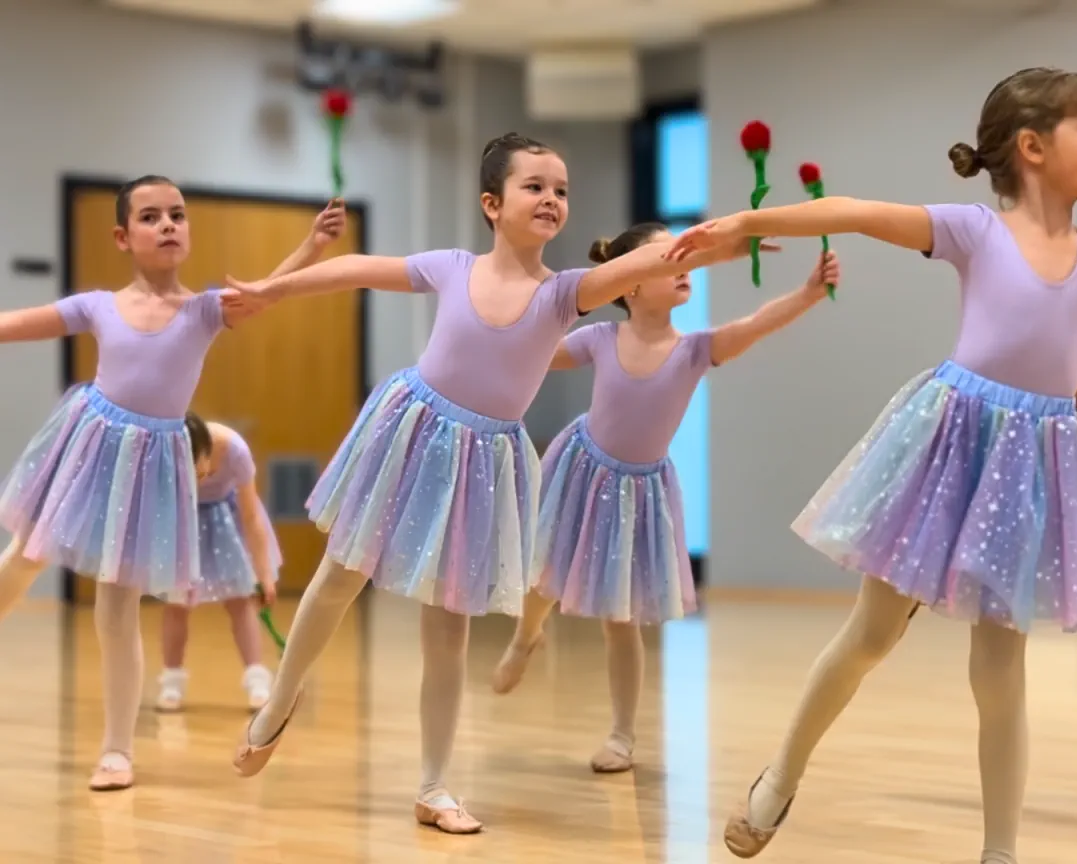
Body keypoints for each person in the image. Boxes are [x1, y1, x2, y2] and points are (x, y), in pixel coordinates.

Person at [222, 133, 767, 834]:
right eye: (535, 186)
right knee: (340, 573)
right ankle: (279, 702)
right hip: (412, 429)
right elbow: (358, 267)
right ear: (492, 203)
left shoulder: (568, 294)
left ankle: (435, 784)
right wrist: (275, 288)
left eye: (561, 190)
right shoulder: (452, 268)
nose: (551, 199)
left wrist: (739, 233)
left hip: (484, 462)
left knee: (448, 624)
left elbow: (665, 254)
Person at [664, 67, 1077, 864]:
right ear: (1031, 147)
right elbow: (850, 213)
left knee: (1001, 668)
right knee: (870, 635)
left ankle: (1001, 852)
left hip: (1029, 463)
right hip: (950, 447)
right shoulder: (973, 230)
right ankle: (781, 773)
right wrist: (745, 225)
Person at [0, 175, 343, 791]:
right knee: (23, 559)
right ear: (122, 236)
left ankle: (116, 751)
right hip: (88, 446)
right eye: (151, 216)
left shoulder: (205, 309)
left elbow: (267, 293)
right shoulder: (98, 305)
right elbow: (19, 321)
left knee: (117, 609)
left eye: (177, 215)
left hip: (152, 465)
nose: (166, 225)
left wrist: (312, 246)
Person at [491, 223, 839, 773]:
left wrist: (808, 293)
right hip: (583, 469)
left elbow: (755, 325)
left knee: (620, 617)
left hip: (639, 493)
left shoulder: (696, 350)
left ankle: (622, 736)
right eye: (665, 257)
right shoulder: (600, 339)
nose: (682, 265)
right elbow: (534, 353)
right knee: (544, 574)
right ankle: (527, 635)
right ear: (630, 284)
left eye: (684, 257)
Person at [156, 414, 282, 714]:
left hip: (225, 520)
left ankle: (257, 682)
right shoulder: (167, 450)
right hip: (181, 520)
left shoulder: (235, 450)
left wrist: (264, 575)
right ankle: (171, 682)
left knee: (240, 600)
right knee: (177, 603)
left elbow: (251, 518)